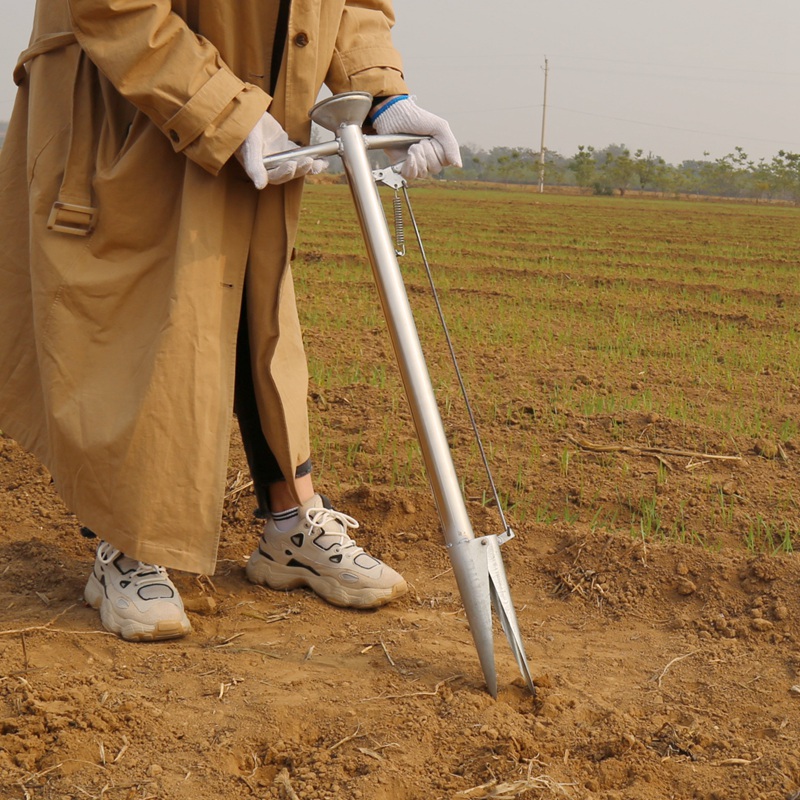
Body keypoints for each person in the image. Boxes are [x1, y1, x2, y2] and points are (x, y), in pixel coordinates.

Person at [0, 1, 461, 641]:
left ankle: (290, 524)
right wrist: (221, 110)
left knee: (255, 298)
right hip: (126, 92)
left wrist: (378, 89)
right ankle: (125, 544)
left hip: (268, 92)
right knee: (132, 316)